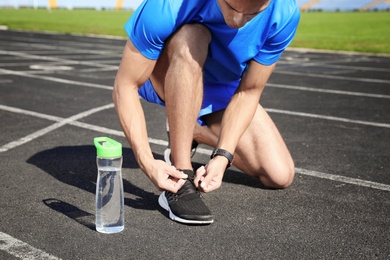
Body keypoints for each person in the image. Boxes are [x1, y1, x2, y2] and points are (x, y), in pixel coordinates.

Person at [113, 0, 300, 224]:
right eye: (232, 8)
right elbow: (125, 85)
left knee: (279, 175)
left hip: (221, 87)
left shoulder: (284, 13)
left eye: (251, 15)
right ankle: (181, 172)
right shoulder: (168, 5)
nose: (237, 21)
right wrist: (146, 161)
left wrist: (223, 156)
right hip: (170, 70)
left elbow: (249, 92)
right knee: (193, 35)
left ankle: (194, 131)